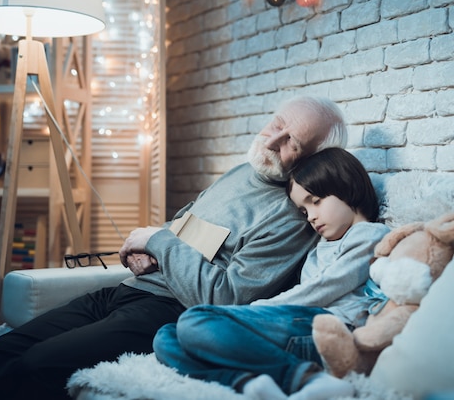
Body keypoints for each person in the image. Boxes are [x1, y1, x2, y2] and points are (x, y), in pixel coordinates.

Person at [0, 95, 347, 400]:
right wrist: (150, 247)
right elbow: (185, 222)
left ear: (312, 157)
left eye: (291, 141)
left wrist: (157, 241)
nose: (272, 141)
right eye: (275, 125)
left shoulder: (292, 217)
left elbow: (228, 297)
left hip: (167, 311)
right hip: (129, 290)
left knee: (35, 365)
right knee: (1, 350)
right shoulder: (244, 171)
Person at [153, 147, 390, 400]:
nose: (311, 216)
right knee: (166, 336)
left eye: (315, 201)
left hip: (328, 328)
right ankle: (248, 383)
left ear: (347, 187)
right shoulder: (321, 245)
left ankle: (305, 377)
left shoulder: (370, 235)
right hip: (296, 323)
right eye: (304, 211)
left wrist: (254, 311)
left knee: (195, 320)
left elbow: (325, 287)